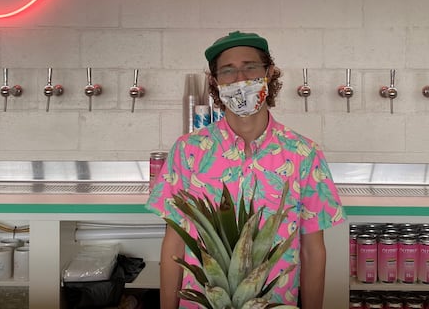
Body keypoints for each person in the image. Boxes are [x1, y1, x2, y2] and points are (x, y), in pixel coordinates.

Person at [146, 31, 346, 309]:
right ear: (215, 82)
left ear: (270, 73)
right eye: (228, 71)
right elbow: (174, 245)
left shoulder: (304, 153)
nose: (240, 79)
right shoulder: (188, 151)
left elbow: (313, 250)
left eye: (250, 67)